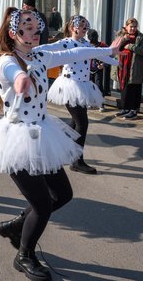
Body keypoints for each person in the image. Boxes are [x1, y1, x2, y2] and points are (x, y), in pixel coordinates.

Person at [0, 9, 119, 280]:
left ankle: (17, 225)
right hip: (18, 140)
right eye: (27, 29)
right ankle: (24, 255)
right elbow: (11, 71)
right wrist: (20, 79)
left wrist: (106, 52)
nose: (34, 33)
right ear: (13, 34)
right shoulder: (7, 60)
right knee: (42, 205)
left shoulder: (40, 55)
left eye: (35, 28)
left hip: (42, 134)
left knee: (63, 195)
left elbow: (73, 54)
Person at [36, 14, 117, 174]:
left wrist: (117, 60)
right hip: (70, 85)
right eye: (82, 24)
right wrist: (27, 51)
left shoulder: (86, 44)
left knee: (75, 123)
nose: (85, 27)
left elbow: (101, 55)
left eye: (86, 24)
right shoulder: (67, 42)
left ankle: (68, 153)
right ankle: (76, 160)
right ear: (73, 27)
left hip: (83, 86)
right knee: (82, 123)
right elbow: (47, 48)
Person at [111, 18, 143, 120]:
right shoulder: (121, 35)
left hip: (135, 67)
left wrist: (131, 46)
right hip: (123, 66)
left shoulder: (141, 38)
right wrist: (124, 39)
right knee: (125, 88)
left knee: (134, 88)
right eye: (131, 26)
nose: (133, 28)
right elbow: (114, 48)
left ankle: (134, 110)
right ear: (126, 26)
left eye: (135, 26)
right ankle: (125, 108)